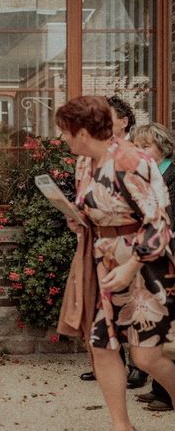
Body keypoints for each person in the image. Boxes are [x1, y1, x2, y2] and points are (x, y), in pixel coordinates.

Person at [56, 96, 175, 431]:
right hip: (101, 264)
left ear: (81, 132)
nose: (62, 139)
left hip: (143, 267)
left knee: (145, 357)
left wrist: (131, 266)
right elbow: (91, 209)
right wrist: (75, 218)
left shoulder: (131, 160)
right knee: (101, 348)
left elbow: (159, 222)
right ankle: (123, 430)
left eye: (65, 132)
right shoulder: (84, 163)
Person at [80, 95, 147, 389]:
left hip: (135, 248)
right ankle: (112, 368)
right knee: (103, 327)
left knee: (141, 326)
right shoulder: (89, 159)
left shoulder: (135, 155)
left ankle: (139, 366)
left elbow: (155, 216)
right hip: (102, 248)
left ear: (123, 121)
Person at [130, 122, 175, 411]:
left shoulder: (171, 175)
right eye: (136, 147)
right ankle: (162, 389)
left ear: (163, 148)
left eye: (145, 146)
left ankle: (165, 393)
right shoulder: (149, 176)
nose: (140, 152)